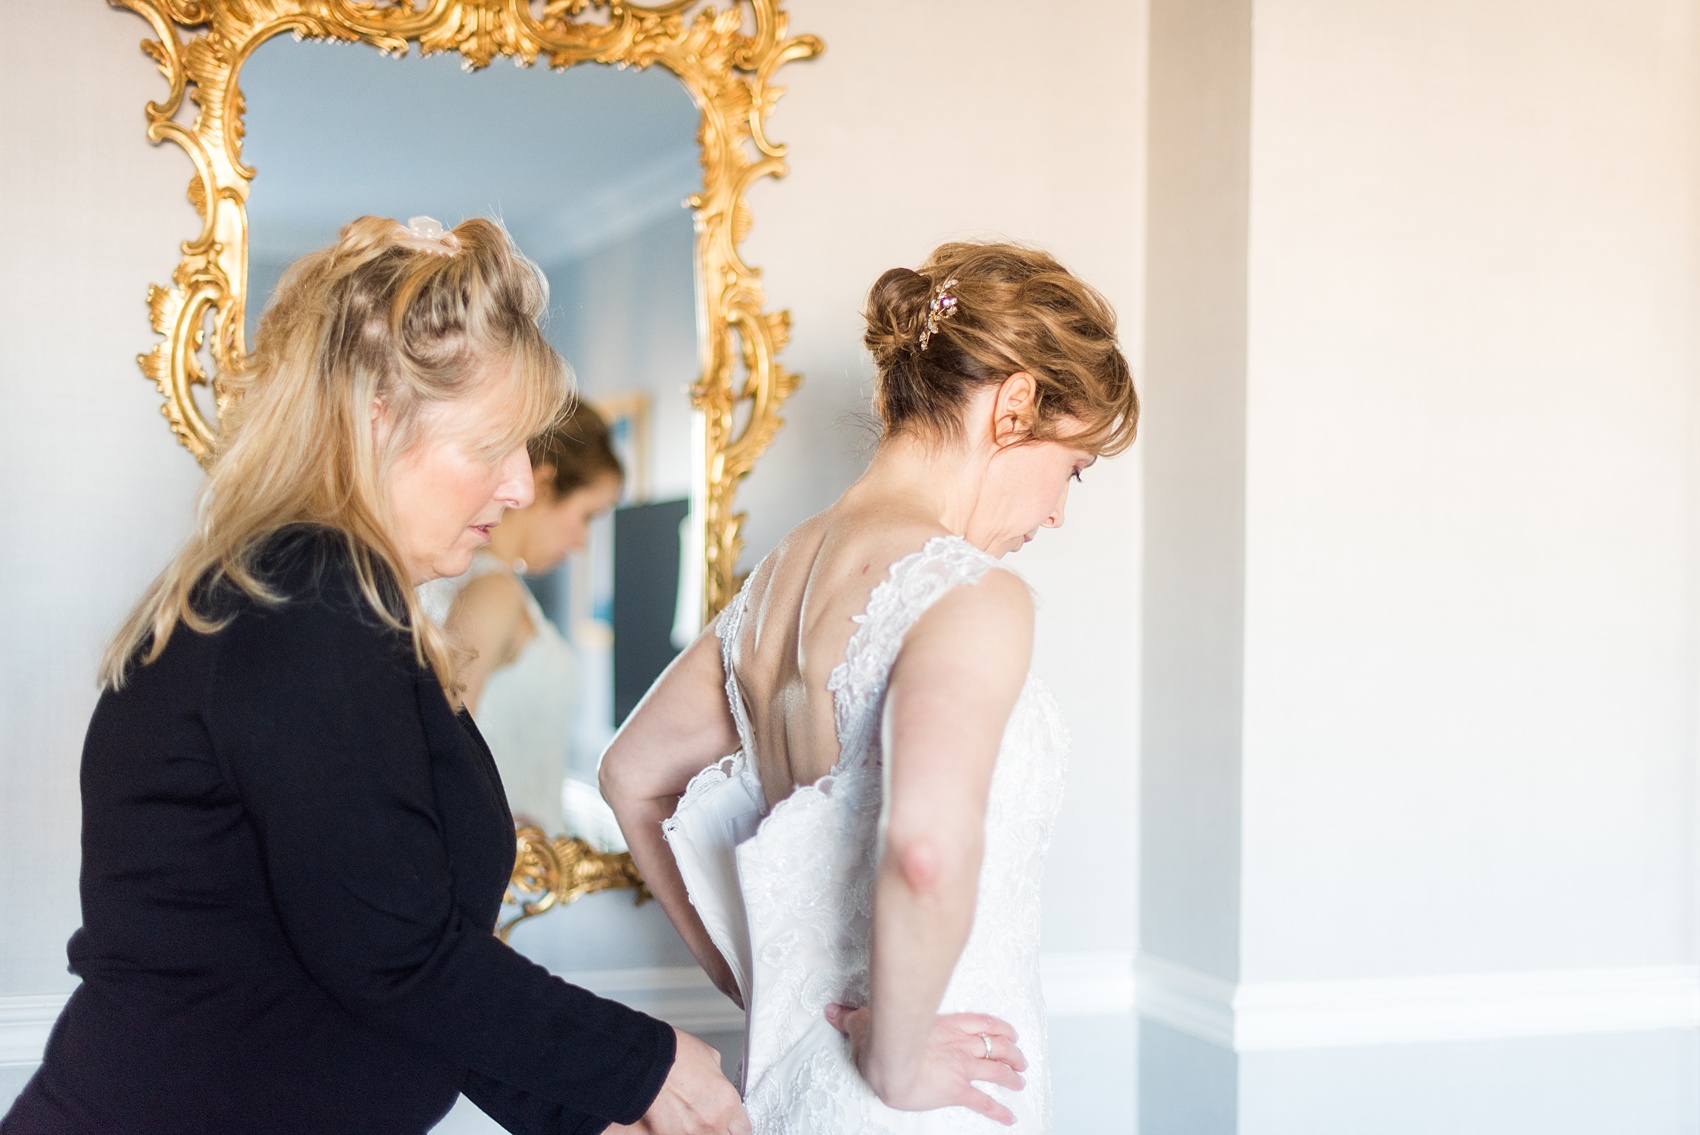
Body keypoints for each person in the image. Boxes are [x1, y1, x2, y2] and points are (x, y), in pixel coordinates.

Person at [1, 216, 745, 1135]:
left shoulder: (325, 599)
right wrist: (644, 1067)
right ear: (376, 419)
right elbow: (394, 954)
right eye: (491, 446)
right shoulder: (303, 601)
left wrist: (585, 1111)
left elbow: (368, 958)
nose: (520, 485)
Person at [600, 241, 1139, 1133]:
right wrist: (896, 1060)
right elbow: (925, 846)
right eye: (1073, 467)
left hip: (794, 1083)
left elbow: (631, 776)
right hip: (924, 1097)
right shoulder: (969, 593)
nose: (1057, 512)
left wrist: (761, 978)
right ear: (1014, 406)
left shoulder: (771, 586)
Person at [437, 404, 625, 840]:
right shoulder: (494, 594)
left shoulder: (501, 589)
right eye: (587, 516)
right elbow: (444, 748)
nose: (581, 542)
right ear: (543, 485)